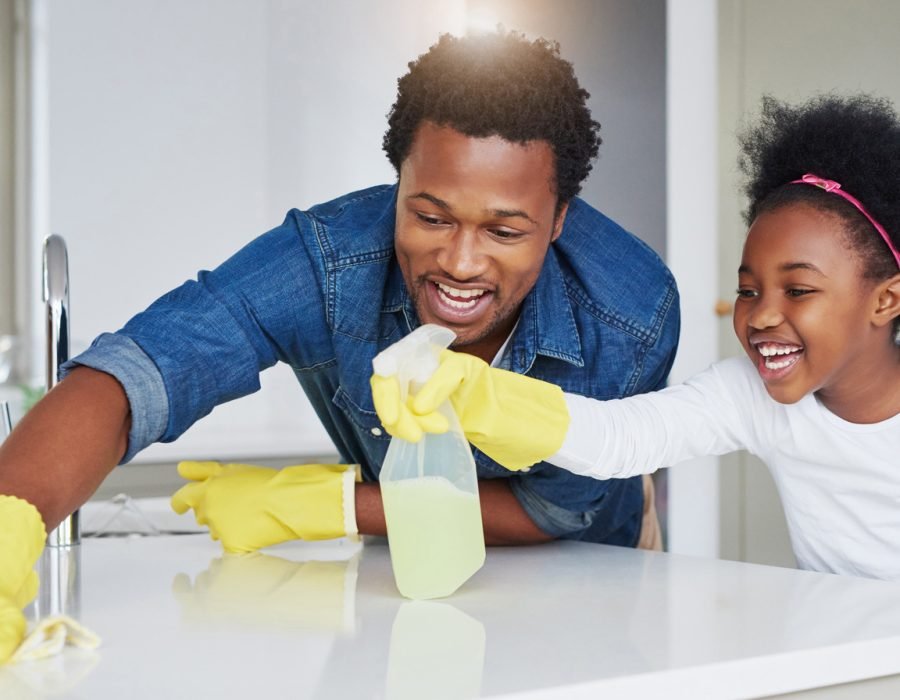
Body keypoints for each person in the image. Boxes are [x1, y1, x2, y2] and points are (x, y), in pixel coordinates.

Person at [0, 30, 679, 661]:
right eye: (430, 216)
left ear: (560, 218)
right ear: (399, 187)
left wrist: (328, 507)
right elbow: (138, 375)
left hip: (585, 578)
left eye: (503, 233)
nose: (462, 263)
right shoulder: (328, 264)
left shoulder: (630, 314)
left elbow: (552, 510)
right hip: (406, 584)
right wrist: (8, 525)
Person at [375, 93, 900, 581]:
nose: (762, 316)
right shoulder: (753, 396)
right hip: (841, 648)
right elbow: (622, 439)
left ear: (886, 300)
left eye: (799, 290)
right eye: (747, 291)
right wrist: (483, 396)